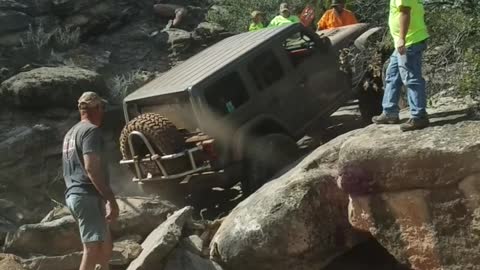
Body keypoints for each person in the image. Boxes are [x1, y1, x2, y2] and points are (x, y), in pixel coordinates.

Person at [63, 92, 119, 270]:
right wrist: (111, 198)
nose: (103, 112)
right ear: (95, 108)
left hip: (75, 194)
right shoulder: (91, 131)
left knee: (105, 246)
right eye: (102, 108)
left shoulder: (70, 133)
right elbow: (91, 168)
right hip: (86, 195)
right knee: (92, 248)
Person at [372, 0, 429, 131]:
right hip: (407, 41)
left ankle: (419, 116)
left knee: (411, 78)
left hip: (409, 41)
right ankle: (390, 112)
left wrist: (402, 38)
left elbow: (405, 13)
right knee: (392, 75)